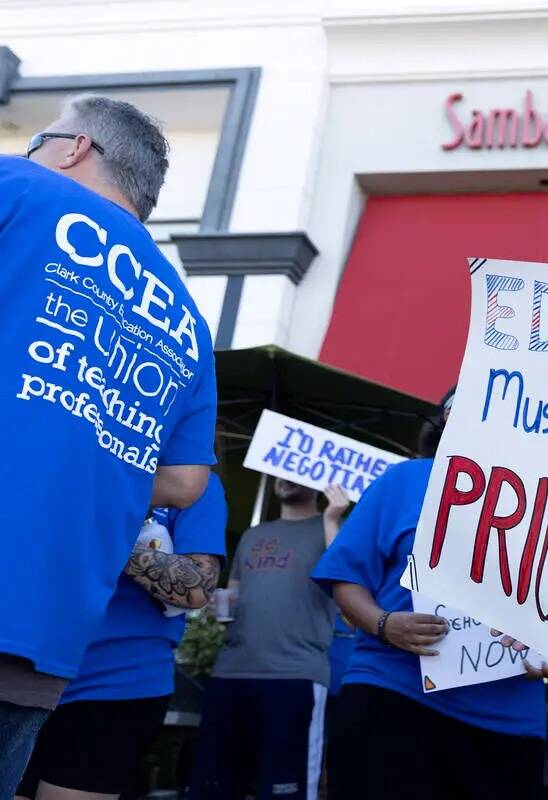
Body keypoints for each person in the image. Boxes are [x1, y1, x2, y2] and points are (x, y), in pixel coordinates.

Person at [0, 95, 217, 794]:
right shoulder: (186, 319)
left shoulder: (20, 186)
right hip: (49, 628)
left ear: (74, 147)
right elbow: (184, 480)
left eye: (40, 139)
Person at [313, 389, 548, 800]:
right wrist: (385, 624)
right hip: (392, 695)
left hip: (506, 721)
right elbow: (346, 579)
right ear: (447, 414)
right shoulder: (403, 480)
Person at [17, 472, 227, 800]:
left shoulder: (195, 482)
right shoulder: (65, 458)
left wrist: (108, 528)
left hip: (115, 683)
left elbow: (197, 588)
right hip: (26, 668)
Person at [186, 479, 349, 800]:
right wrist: (216, 603)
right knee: (211, 788)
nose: (284, 479)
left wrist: (333, 518)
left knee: (286, 790)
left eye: (293, 471)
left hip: (295, 676)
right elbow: (232, 592)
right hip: (231, 673)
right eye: (279, 472)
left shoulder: (333, 528)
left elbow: (347, 579)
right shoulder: (253, 534)